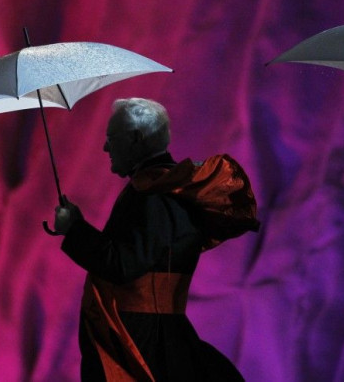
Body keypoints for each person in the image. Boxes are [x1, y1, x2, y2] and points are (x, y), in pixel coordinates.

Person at [52, 98, 259, 381]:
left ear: (135, 139)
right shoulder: (169, 187)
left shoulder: (154, 193)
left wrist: (74, 228)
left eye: (111, 138)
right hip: (160, 336)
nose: (105, 147)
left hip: (143, 345)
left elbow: (125, 265)